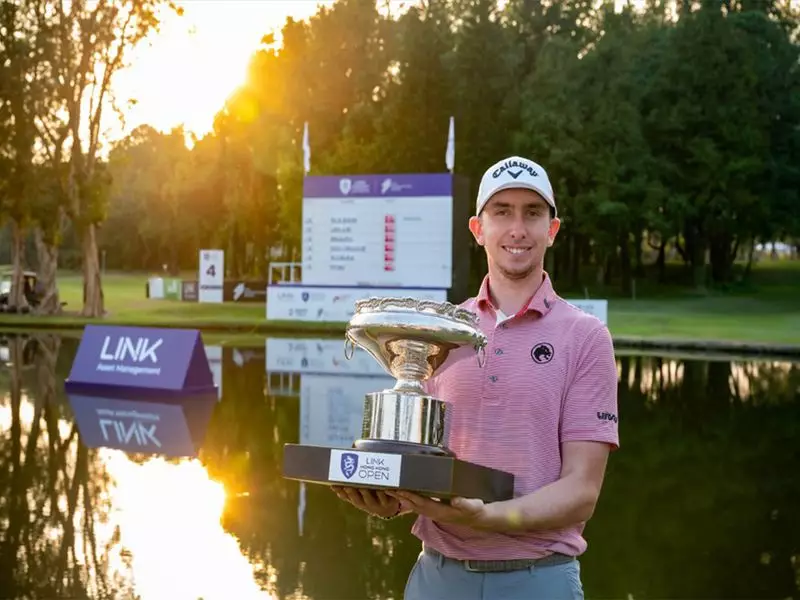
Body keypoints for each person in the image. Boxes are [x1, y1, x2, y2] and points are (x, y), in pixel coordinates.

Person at [332, 155, 619, 600]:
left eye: (533, 212)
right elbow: (422, 465)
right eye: (502, 212)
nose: (517, 229)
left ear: (553, 230)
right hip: (438, 577)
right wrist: (386, 494)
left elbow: (583, 491)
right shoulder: (437, 331)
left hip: (539, 579)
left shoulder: (586, 336)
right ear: (477, 229)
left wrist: (487, 518)